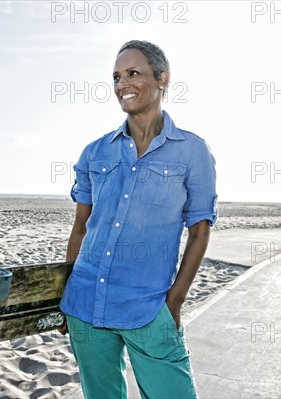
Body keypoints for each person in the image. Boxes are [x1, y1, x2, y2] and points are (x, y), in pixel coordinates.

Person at [58, 39, 217, 399]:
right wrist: (66, 293)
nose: (122, 84)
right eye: (116, 77)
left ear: (163, 79)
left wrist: (175, 300)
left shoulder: (192, 151)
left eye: (133, 73)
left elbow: (199, 231)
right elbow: (81, 227)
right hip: (86, 305)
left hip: (149, 308)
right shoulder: (94, 151)